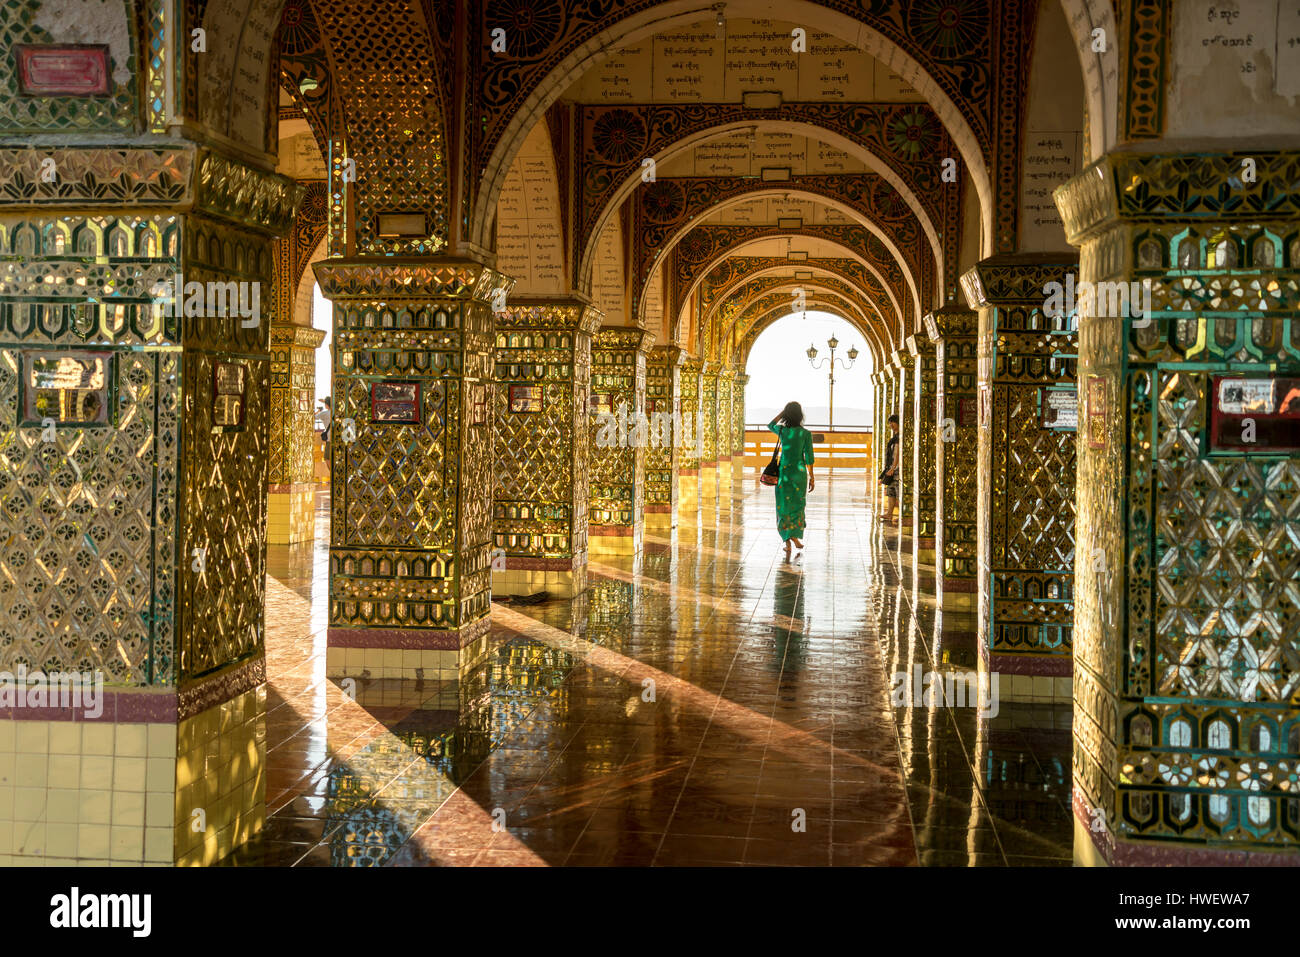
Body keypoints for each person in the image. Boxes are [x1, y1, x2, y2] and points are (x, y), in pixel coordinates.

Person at [767, 401, 815, 556]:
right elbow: (809, 457)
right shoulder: (805, 433)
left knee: (783, 506)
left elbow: (770, 424)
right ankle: (792, 538)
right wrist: (812, 477)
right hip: (799, 473)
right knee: (797, 505)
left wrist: (783, 412)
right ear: (800, 415)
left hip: (785, 473)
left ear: (787, 415)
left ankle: (788, 540)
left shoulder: (782, 431)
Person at [880, 414, 900, 525]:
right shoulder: (895, 436)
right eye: (890, 422)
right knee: (891, 491)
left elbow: (897, 453)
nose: (891, 425)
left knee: (898, 492)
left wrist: (893, 467)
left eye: (893, 422)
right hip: (892, 467)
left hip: (896, 469)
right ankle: (889, 513)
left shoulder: (899, 437)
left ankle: (903, 515)